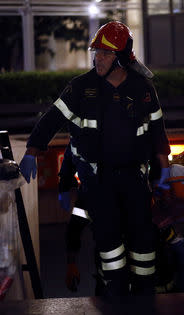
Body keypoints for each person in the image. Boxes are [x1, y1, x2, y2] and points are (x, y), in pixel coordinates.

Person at [19, 21, 171, 298]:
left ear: (122, 58)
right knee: (109, 244)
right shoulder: (80, 87)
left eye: (104, 53)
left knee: (144, 244)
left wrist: (164, 166)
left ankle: (146, 298)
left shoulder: (143, 88)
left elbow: (158, 130)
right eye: (96, 52)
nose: (96, 58)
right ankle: (115, 297)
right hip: (98, 182)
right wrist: (32, 150)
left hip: (135, 179)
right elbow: (52, 119)